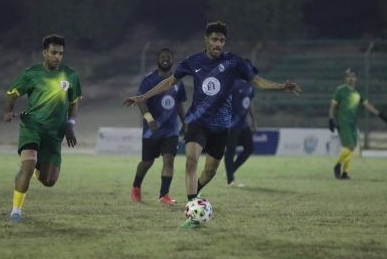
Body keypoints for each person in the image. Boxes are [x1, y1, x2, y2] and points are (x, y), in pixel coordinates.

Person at [124, 21, 300, 213]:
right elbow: (169, 82)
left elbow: (256, 81)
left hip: (220, 126)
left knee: (210, 171)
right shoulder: (193, 61)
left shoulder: (233, 62)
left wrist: (281, 87)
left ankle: (197, 190)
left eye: (222, 40)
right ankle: (192, 205)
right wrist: (143, 97)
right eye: (215, 39)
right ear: (206, 40)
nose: (218, 44)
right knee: (191, 161)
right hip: (196, 122)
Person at [4, 34, 83, 223]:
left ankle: (32, 168)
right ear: (44, 53)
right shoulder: (31, 74)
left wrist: (70, 125)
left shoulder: (71, 75)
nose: (57, 57)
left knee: (49, 181)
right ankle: (16, 211)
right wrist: (8, 111)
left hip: (55, 134)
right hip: (32, 126)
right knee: (28, 164)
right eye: (54, 52)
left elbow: (74, 103)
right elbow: (12, 94)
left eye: (61, 53)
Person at [131, 48, 187, 204]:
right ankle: (136, 186)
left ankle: (163, 195)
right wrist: (149, 119)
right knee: (147, 162)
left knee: (169, 159)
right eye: (162, 57)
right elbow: (141, 101)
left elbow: (179, 104)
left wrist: (185, 123)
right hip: (152, 130)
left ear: (173, 60)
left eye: (168, 57)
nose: (165, 59)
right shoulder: (149, 80)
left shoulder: (178, 82)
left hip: (171, 130)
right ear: (157, 60)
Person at [328, 67, 387, 179]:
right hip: (343, 122)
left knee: (351, 147)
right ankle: (338, 165)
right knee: (350, 146)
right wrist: (331, 120)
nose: (351, 79)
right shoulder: (340, 90)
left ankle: (345, 173)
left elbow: (367, 105)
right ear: (345, 78)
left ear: (356, 78)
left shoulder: (358, 92)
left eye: (353, 76)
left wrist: (380, 114)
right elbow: (332, 106)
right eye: (348, 76)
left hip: (352, 123)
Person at [224, 77, 256, 187]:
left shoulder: (250, 85)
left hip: (244, 124)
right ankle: (230, 180)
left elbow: (249, 102)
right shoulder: (232, 83)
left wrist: (253, 120)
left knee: (250, 148)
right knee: (230, 150)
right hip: (231, 124)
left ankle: (230, 170)